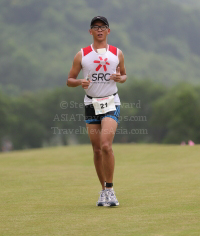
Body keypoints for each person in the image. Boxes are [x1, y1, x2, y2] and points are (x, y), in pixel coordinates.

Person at [67, 16, 127, 206]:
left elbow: (124, 74)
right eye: (95, 27)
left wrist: (120, 78)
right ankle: (103, 191)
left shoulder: (117, 53)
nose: (99, 30)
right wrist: (79, 82)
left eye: (103, 27)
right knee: (96, 149)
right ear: (90, 31)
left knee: (106, 145)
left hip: (111, 102)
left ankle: (110, 189)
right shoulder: (82, 54)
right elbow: (70, 79)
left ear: (108, 31)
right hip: (91, 103)